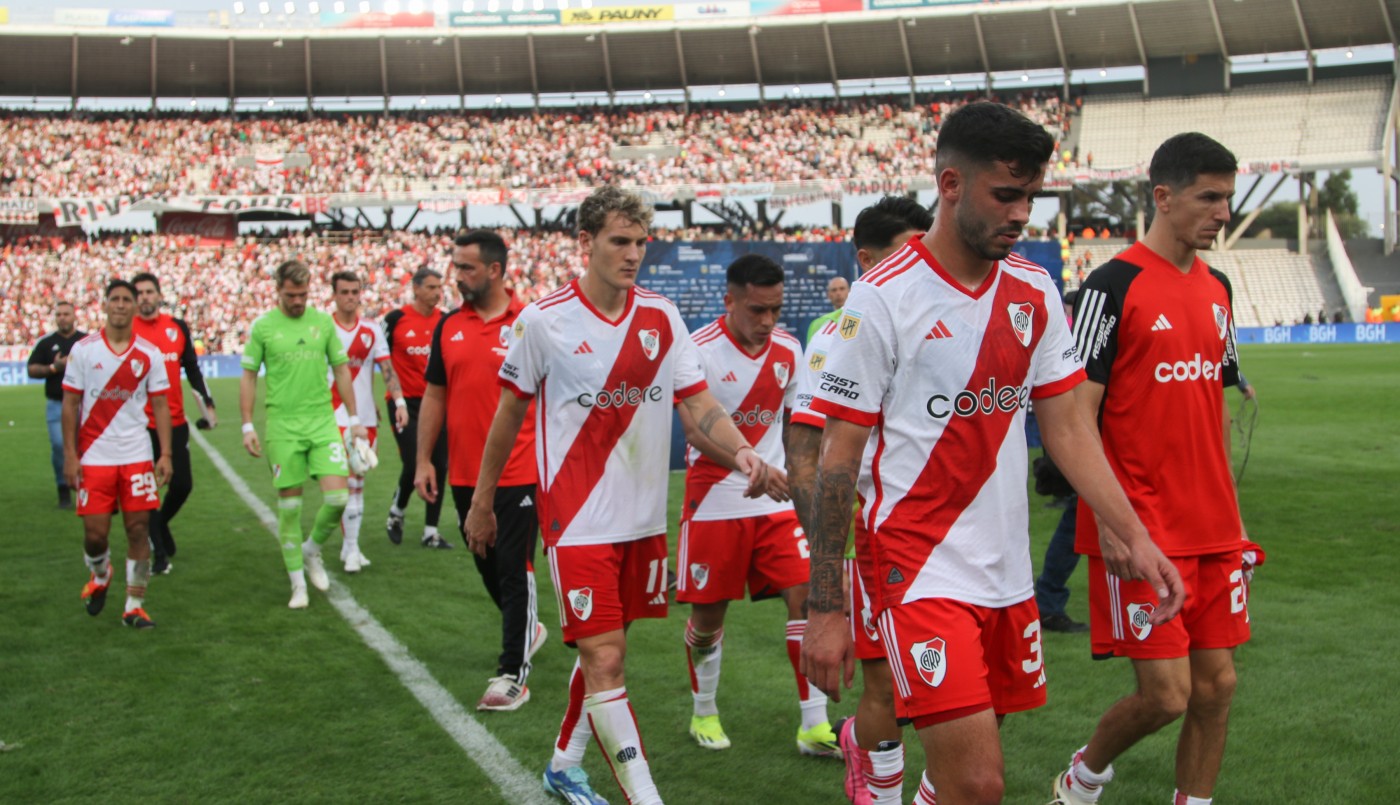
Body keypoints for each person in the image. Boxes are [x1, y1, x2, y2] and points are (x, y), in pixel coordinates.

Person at [800, 103, 1184, 805]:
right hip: (915, 565)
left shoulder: (1034, 290)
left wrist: (1135, 535)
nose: (1021, 214)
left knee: (956, 783)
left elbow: (1068, 427)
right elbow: (836, 459)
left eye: (1030, 197)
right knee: (979, 784)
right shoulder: (882, 299)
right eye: (1005, 194)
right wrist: (827, 605)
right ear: (950, 185)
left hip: (1004, 571)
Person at [465, 186, 766, 805]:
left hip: (641, 520)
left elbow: (699, 403)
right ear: (586, 243)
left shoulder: (662, 317)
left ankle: (562, 765)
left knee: (604, 650)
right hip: (575, 522)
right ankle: (644, 796)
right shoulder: (544, 320)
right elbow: (508, 413)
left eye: (640, 243)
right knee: (605, 658)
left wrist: (740, 451)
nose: (633, 255)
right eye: (619, 242)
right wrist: (482, 500)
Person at [1053, 133, 1257, 805]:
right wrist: (1110, 522)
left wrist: (1233, 515)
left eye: (1228, 197)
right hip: (1141, 527)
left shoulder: (1220, 287)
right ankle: (1083, 775)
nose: (1223, 211)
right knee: (1167, 694)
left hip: (1213, 528)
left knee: (1218, 686)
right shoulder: (1111, 287)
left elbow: (1215, 407)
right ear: (1163, 197)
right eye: (1209, 196)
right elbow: (1077, 416)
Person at [788, 194, 933, 805]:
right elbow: (809, 452)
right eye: (908, 254)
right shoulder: (837, 336)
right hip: (877, 535)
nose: (923, 268)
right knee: (888, 690)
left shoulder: (941, 316)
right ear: (868, 261)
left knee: (970, 700)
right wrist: (831, 570)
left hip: (948, 533)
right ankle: (880, 784)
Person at [676, 254, 839, 756]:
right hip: (714, 501)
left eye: (775, 310)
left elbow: (794, 427)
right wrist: (750, 465)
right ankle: (704, 712)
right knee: (707, 622)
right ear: (729, 301)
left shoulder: (790, 349)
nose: (768, 321)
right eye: (756, 310)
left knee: (806, 600)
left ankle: (814, 725)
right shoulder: (698, 350)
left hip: (774, 501)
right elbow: (693, 431)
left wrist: (799, 478)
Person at [414, 230, 547, 712]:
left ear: (494, 270)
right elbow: (435, 394)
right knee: (486, 563)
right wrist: (425, 459)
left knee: (515, 569)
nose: (457, 275)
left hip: (520, 472)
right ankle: (527, 629)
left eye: (467, 267)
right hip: (465, 474)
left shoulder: (533, 322)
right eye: (456, 265)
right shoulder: (448, 326)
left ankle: (513, 673)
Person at [239, 260, 367, 610]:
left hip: (322, 422)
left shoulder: (322, 323)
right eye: (291, 295)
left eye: (303, 295)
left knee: (338, 499)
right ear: (277, 291)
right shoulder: (264, 327)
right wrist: (247, 424)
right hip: (282, 427)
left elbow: (341, 369)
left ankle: (311, 551)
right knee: (290, 508)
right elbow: (249, 375)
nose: (298, 301)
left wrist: (354, 418)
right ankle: (298, 584)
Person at [62, 279, 172, 629]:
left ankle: (134, 605)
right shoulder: (84, 350)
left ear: (136, 306)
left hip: (136, 454)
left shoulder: (150, 354)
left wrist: (165, 453)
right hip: (94, 456)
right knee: (95, 535)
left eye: (128, 299)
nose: (122, 305)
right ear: (105, 305)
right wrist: (70, 454)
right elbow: (70, 402)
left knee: (138, 529)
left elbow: (160, 404)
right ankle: (100, 571)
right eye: (116, 299)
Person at [131, 272, 218, 576]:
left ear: (158, 294)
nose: (144, 297)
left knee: (182, 485)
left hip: (176, 421)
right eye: (138, 292)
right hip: (140, 425)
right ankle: (159, 553)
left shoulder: (176, 327)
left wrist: (207, 402)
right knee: (148, 491)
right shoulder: (127, 329)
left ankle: (161, 525)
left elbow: (192, 370)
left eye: (148, 291)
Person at [328, 270, 408, 573]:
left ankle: (352, 547)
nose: (350, 297)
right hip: (333, 416)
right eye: (344, 292)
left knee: (358, 484)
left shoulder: (372, 330)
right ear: (334, 295)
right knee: (346, 485)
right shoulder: (325, 329)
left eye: (355, 291)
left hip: (365, 418)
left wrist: (399, 402)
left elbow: (387, 369)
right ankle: (350, 549)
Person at [383, 267, 451, 548]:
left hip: (437, 404)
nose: (437, 292)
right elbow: (383, 359)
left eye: (440, 287)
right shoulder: (396, 319)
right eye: (432, 287)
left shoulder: (446, 321)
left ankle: (430, 531)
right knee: (413, 462)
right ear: (416, 289)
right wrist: (395, 398)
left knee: (440, 464)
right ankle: (397, 512)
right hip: (405, 404)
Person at [1034, 289, 1089, 635]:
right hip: (1086, 445)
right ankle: (1048, 602)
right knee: (1074, 525)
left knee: (1075, 524)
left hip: (1079, 443)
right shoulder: (1076, 340)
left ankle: (1048, 600)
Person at [28, 301, 86, 509]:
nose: (62, 317)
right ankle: (63, 488)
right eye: (59, 314)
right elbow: (31, 370)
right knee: (60, 445)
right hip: (56, 404)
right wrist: (54, 367)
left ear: (74, 316)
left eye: (66, 314)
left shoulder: (85, 341)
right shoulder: (46, 343)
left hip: (84, 405)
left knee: (85, 447)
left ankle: (85, 487)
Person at [808, 276, 851, 341]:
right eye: (834, 290)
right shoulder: (817, 324)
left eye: (842, 289)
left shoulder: (859, 319)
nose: (838, 293)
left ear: (849, 292)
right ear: (829, 295)